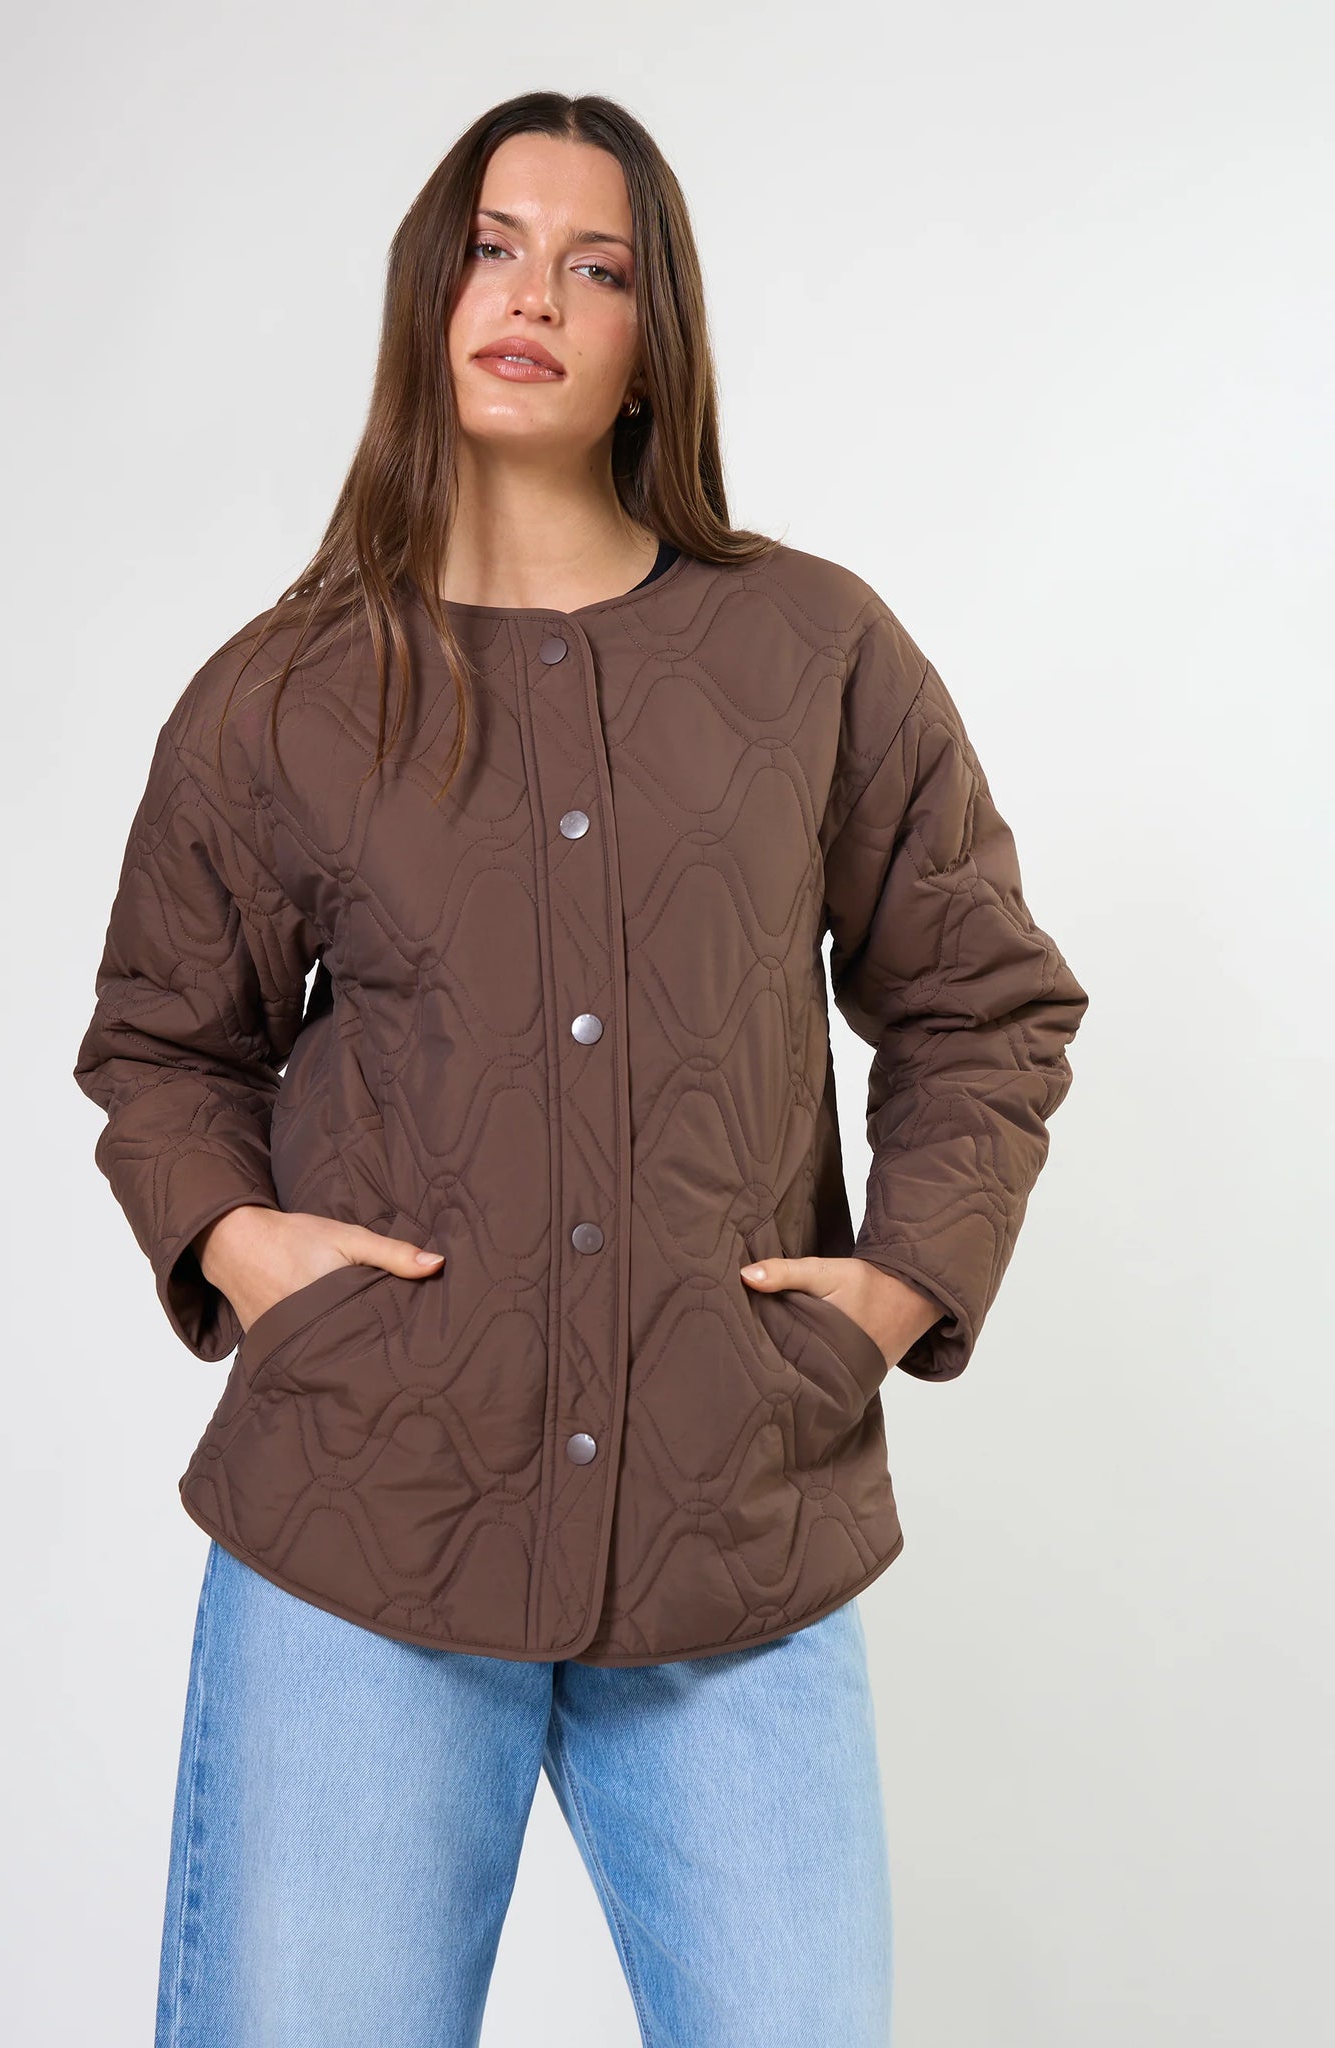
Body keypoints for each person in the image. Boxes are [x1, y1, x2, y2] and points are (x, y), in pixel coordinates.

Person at [73, 90, 1089, 2048]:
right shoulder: (286, 692)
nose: (532, 294)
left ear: (651, 339)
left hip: (736, 1530)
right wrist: (241, 1247)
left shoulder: (809, 651)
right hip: (368, 1519)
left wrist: (899, 1285)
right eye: (492, 246)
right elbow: (162, 1039)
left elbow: (982, 999)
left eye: (594, 266)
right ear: (427, 297)